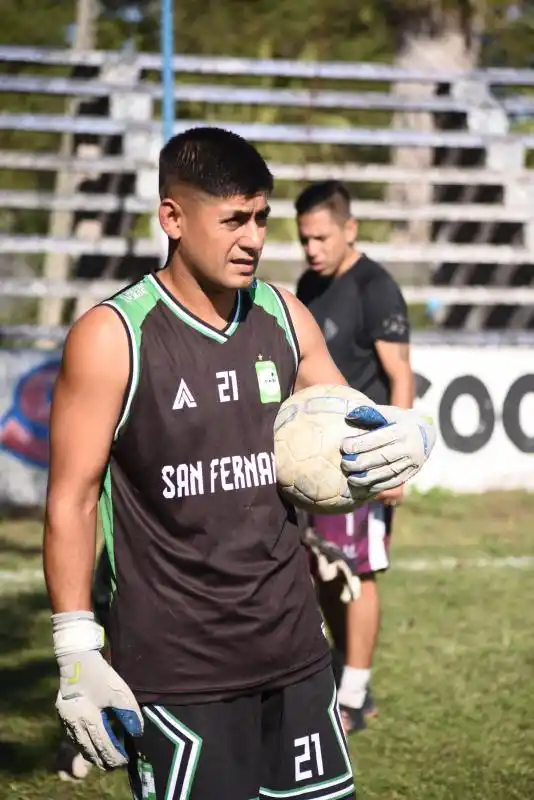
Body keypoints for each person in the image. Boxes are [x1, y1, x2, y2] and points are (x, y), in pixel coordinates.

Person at [43, 127, 433, 800]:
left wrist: (409, 438)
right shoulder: (113, 337)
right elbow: (72, 500)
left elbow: (349, 424)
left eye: (261, 218)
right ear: (172, 217)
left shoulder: (285, 315)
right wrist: (76, 648)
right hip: (178, 674)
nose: (253, 238)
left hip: (297, 655)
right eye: (233, 220)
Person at [295, 180, 414, 734]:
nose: (312, 249)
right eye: (304, 240)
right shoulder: (308, 285)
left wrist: (395, 460)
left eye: (321, 237)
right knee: (325, 572)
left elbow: (400, 377)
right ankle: (344, 674)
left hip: (366, 461)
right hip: (319, 464)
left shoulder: (376, 287)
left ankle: (355, 698)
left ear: (349, 229)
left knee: (361, 574)